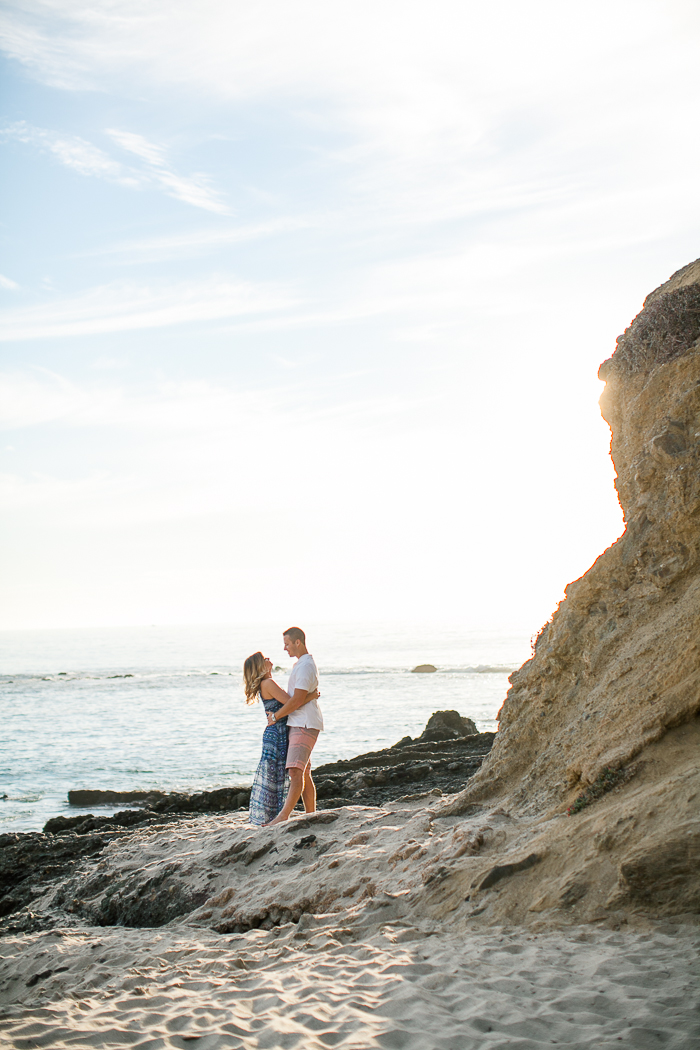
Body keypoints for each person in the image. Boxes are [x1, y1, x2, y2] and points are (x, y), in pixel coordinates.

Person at [242, 650, 320, 826]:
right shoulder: (268, 683)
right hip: (278, 733)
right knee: (280, 774)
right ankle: (281, 815)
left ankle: (307, 813)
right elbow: (291, 702)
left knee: (294, 772)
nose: (268, 659)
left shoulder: (266, 683)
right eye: (264, 659)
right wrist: (312, 696)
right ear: (259, 666)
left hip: (278, 731)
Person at [263, 626, 324, 826]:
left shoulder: (305, 666)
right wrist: (311, 696)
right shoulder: (301, 664)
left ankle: (284, 816)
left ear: (298, 642)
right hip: (301, 722)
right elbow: (298, 698)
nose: (285, 648)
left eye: (287, 644)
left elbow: (296, 700)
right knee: (304, 771)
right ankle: (311, 814)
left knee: (295, 771)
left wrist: (276, 716)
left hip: (304, 723)